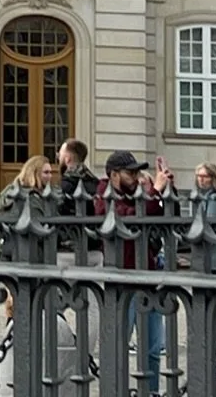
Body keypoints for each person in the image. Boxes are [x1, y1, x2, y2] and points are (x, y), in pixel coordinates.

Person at [94, 151, 174, 392]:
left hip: (147, 278)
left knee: (152, 347)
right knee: (118, 344)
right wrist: (154, 192)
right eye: (131, 172)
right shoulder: (103, 195)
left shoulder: (136, 194)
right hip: (123, 282)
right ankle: (115, 390)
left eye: (138, 171)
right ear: (114, 174)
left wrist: (166, 188)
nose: (137, 176)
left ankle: (151, 391)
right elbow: (128, 218)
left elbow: (162, 215)